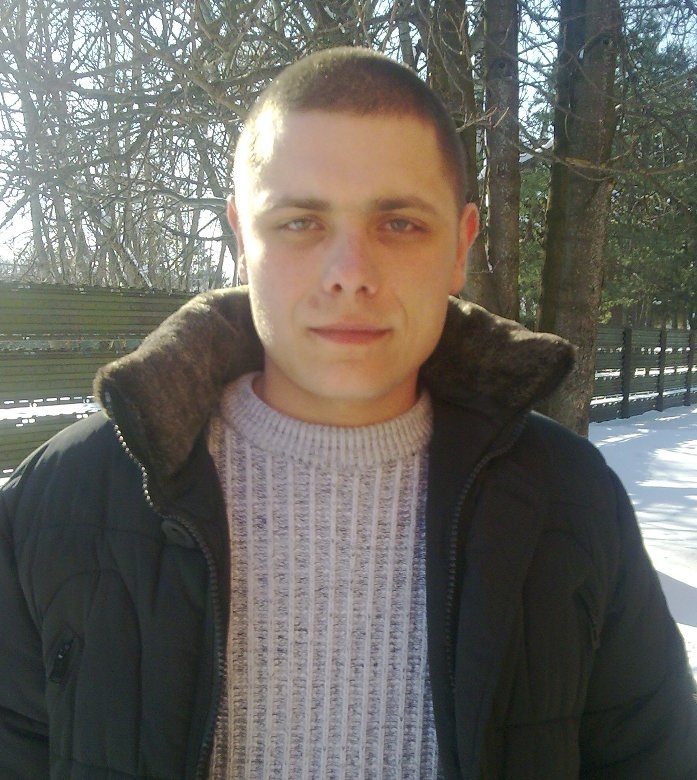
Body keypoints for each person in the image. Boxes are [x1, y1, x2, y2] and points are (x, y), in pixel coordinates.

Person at [0, 47, 695, 780]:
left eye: (399, 224)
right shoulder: (63, 502)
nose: (350, 275)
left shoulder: (570, 500)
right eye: (300, 222)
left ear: (460, 247)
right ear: (242, 239)